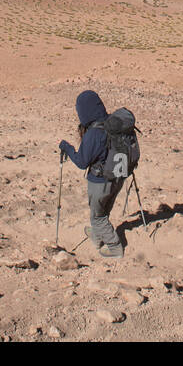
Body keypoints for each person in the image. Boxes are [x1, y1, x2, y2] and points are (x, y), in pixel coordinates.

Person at [58, 90, 124, 258]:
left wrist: (67, 147)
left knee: (97, 217)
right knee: (103, 210)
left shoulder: (94, 133)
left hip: (100, 182)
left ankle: (114, 247)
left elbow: (82, 162)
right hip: (118, 177)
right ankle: (97, 234)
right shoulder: (112, 123)